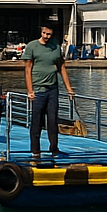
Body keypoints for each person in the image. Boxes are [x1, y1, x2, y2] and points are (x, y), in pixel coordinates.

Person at [23, 21, 74, 163]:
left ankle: (54, 148)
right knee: (36, 121)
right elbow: (27, 70)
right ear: (41, 32)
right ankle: (35, 151)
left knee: (52, 120)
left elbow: (61, 67)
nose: (46, 36)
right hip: (38, 89)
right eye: (45, 33)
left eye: (49, 34)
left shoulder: (55, 46)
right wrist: (30, 90)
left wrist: (69, 88)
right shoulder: (32, 46)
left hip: (53, 89)